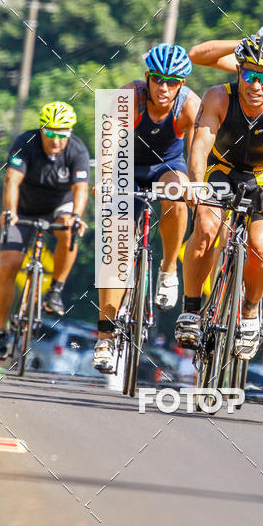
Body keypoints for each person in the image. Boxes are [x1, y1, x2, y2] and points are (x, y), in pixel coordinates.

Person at [175, 31, 263, 360]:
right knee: (207, 227)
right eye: (249, 74)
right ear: (238, 72)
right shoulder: (218, 97)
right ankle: (192, 310)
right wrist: (196, 183)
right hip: (221, 170)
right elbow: (199, 147)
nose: (256, 85)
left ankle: (251, 313)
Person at [93, 42, 201, 372]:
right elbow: (108, 140)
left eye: (172, 81)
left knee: (176, 194)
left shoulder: (190, 106)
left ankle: (169, 269)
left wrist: (195, 183)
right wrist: (106, 178)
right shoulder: (131, 97)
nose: (164, 87)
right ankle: (106, 338)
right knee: (116, 243)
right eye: (158, 80)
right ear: (147, 78)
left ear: (181, 83)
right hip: (126, 168)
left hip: (166, 167)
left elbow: (198, 152)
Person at [0, 101, 89, 355]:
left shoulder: (77, 150)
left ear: (70, 132)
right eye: (50, 133)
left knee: (69, 231)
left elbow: (80, 189)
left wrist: (76, 216)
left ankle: (56, 290)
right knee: (7, 266)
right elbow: (12, 180)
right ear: (41, 129)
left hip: (59, 207)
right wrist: (10, 212)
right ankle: (0, 331)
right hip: (23, 209)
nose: (56, 140)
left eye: (63, 134)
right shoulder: (26, 143)